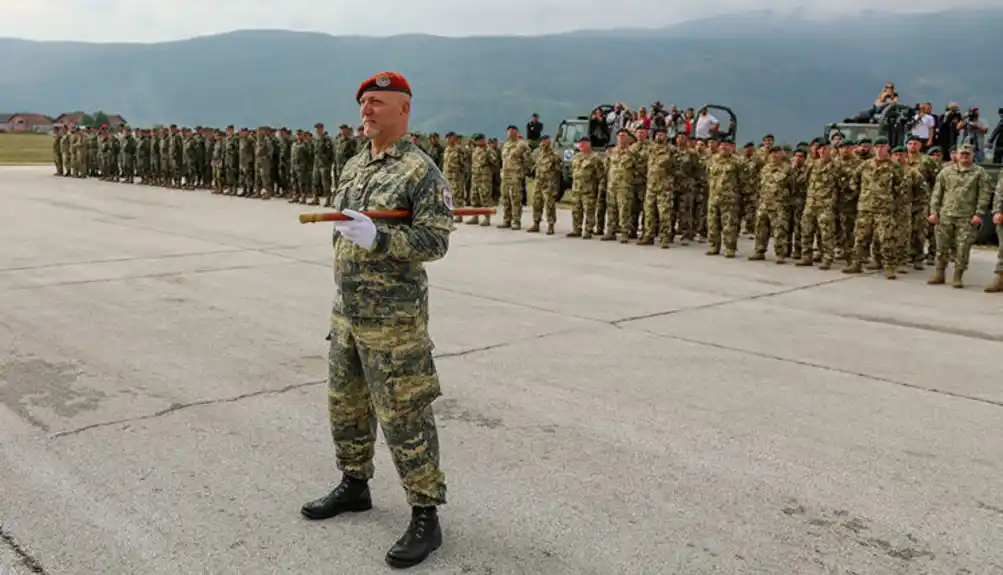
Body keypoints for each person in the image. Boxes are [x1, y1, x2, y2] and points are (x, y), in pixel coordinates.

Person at [300, 71, 453, 570]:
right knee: (346, 407)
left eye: (378, 103)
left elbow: (435, 241)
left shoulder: (419, 171)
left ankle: (426, 513)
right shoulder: (354, 164)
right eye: (364, 102)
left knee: (405, 417)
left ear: (404, 110)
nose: (366, 110)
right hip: (347, 313)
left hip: (393, 323)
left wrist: (380, 239)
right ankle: (354, 483)